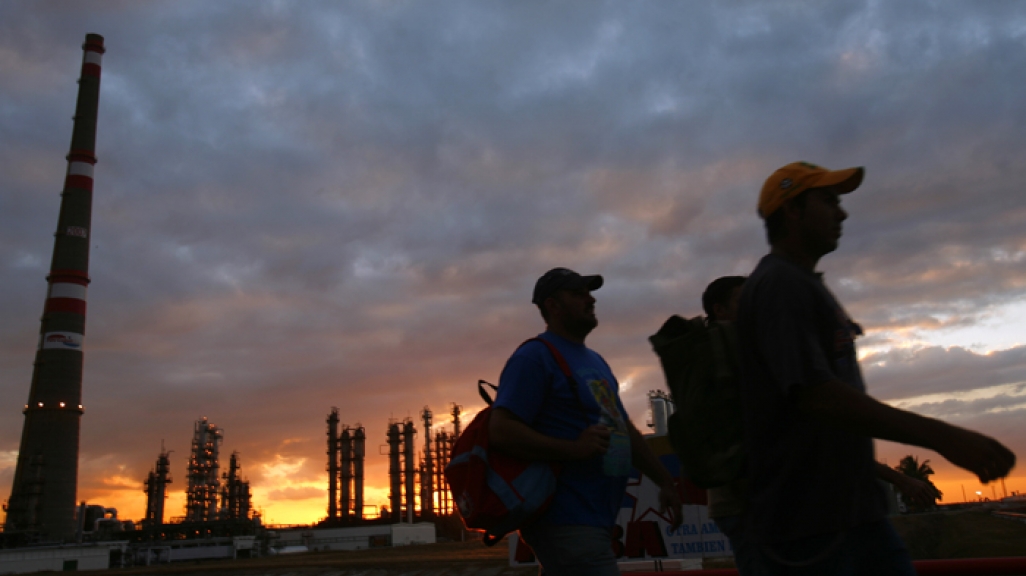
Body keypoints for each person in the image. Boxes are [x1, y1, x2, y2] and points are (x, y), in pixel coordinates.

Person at [736, 161, 1016, 575]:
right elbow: (816, 394)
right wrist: (944, 436)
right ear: (792, 211)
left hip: (850, 519)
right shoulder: (780, 285)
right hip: (807, 531)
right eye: (828, 201)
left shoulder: (803, 283)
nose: (842, 212)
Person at [698, 275, 938, 576]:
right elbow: (819, 430)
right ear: (719, 310)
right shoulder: (746, 360)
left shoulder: (715, 360)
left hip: (756, 507)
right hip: (761, 509)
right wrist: (901, 479)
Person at [490, 267, 683, 576]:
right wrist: (573, 448)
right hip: (565, 519)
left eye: (589, 293)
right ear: (552, 305)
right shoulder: (534, 357)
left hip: (597, 518)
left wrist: (664, 480)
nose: (590, 300)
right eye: (578, 294)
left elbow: (623, 427)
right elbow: (501, 430)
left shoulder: (595, 360)